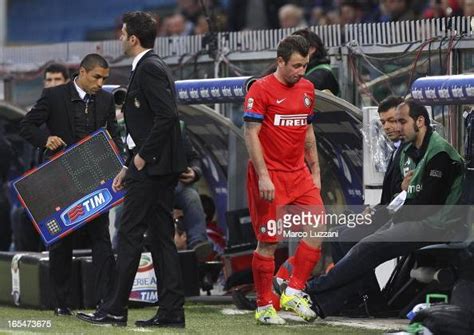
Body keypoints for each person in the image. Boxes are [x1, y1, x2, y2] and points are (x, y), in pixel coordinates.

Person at [77, 11, 187, 328]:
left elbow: (167, 117)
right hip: (153, 167)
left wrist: (141, 159)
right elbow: (152, 121)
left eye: (123, 33)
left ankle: (114, 310)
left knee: (128, 235)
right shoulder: (150, 67)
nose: (120, 38)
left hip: (152, 168)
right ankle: (171, 312)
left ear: (134, 39)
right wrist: (129, 165)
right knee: (161, 239)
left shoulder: (149, 68)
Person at [307, 99, 465, 318]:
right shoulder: (411, 150)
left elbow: (426, 206)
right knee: (355, 240)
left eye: (400, 121)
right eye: (389, 122)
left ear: (420, 121)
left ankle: (315, 289)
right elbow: (403, 196)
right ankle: (330, 302)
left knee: (367, 245)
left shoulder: (440, 154)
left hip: (434, 225)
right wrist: (398, 200)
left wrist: (394, 210)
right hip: (410, 219)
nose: (395, 128)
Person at [20, 53, 120, 316]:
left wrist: (121, 166)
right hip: (60, 178)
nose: (101, 83)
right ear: (83, 73)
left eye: (104, 78)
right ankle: (61, 303)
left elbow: (114, 135)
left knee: (102, 239)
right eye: (97, 77)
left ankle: (104, 300)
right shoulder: (53, 96)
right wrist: (46, 139)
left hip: (96, 177)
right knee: (61, 240)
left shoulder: (107, 100)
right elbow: (27, 126)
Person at [243, 35, 325, 325]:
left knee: (318, 227)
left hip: (298, 173)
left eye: (305, 65)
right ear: (280, 61)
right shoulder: (261, 89)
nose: (301, 71)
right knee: (269, 242)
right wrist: (263, 176)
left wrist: (315, 171)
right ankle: (264, 306)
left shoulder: (308, 89)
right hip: (269, 175)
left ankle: (293, 290)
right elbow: (250, 133)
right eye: (296, 65)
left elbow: (308, 132)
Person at [175, 122, 212, 261]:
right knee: (123, 206)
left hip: (174, 185)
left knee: (191, 196)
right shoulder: (138, 124)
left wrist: (194, 172)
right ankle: (119, 247)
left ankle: (198, 243)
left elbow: (193, 158)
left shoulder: (178, 127)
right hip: (146, 188)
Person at [292, 29, 340, 96]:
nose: (290, 53)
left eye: (295, 48)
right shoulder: (308, 70)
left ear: (311, 49)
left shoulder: (322, 73)